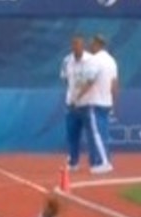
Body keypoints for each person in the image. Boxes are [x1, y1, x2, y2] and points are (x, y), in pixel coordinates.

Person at [71, 33, 118, 174]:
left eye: (92, 43)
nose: (90, 45)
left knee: (96, 134)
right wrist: (113, 103)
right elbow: (115, 84)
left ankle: (103, 162)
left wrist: (77, 98)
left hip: (94, 102)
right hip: (105, 102)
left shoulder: (94, 60)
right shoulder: (111, 60)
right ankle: (101, 161)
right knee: (102, 133)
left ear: (97, 44)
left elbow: (89, 81)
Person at [60, 35, 89, 171]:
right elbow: (64, 79)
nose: (76, 47)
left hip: (88, 103)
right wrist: (73, 94)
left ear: (83, 46)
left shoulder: (90, 60)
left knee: (93, 135)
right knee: (72, 135)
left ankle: (97, 162)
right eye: (74, 44)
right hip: (71, 104)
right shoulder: (67, 60)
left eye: (78, 44)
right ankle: (73, 162)